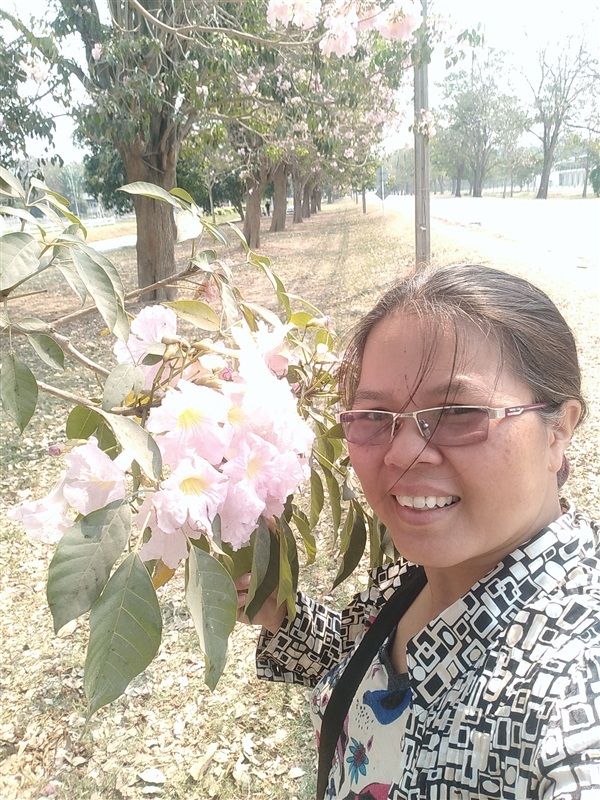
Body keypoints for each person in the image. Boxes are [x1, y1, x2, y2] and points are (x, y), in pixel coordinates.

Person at [236, 264, 600, 800]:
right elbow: (368, 662)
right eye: (375, 416)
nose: (402, 453)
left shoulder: (571, 694)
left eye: (457, 411)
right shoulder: (421, 577)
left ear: (559, 430)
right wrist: (284, 618)